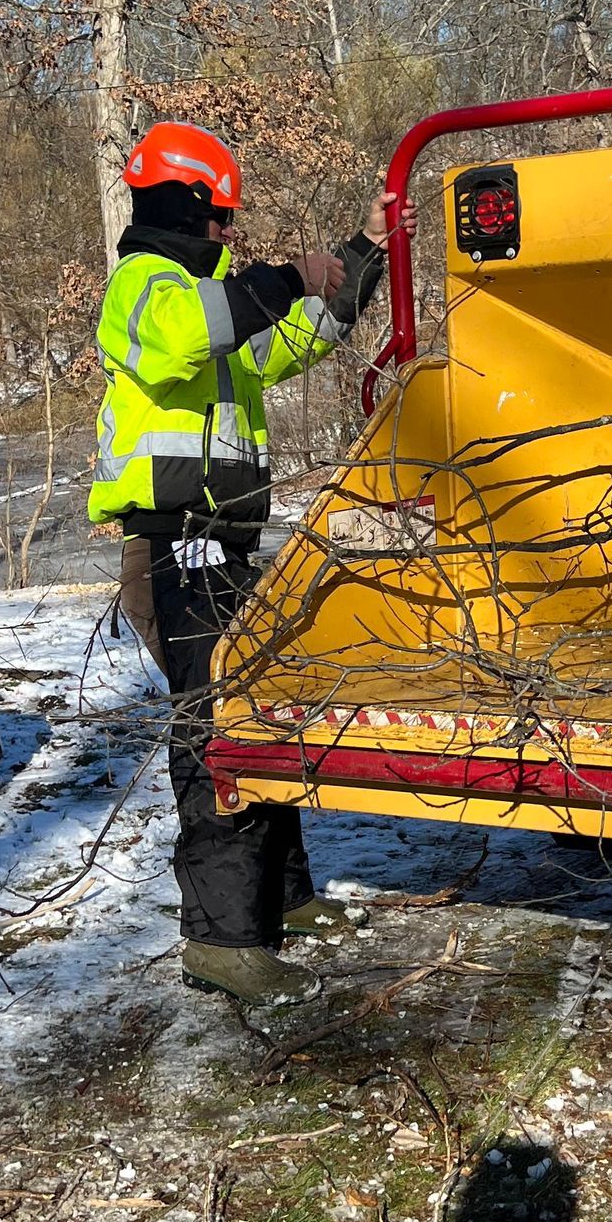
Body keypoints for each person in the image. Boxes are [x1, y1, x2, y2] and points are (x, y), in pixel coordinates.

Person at [89, 119, 414, 1006]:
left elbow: (295, 338)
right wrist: (286, 274)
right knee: (214, 734)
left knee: (259, 716)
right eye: (221, 217)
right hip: (172, 549)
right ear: (187, 205)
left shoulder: (215, 304)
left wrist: (359, 258)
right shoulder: (144, 289)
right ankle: (222, 942)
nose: (230, 234)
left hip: (223, 544)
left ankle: (281, 898)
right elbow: (196, 328)